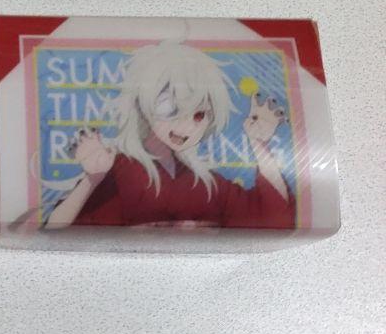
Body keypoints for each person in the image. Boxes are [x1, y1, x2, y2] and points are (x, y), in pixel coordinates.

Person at [46, 40, 293, 229]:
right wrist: (92, 180)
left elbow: (275, 218)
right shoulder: (119, 171)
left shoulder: (206, 183)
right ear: (143, 103)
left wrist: (258, 144)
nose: (186, 127)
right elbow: (56, 229)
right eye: (171, 108)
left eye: (199, 115)